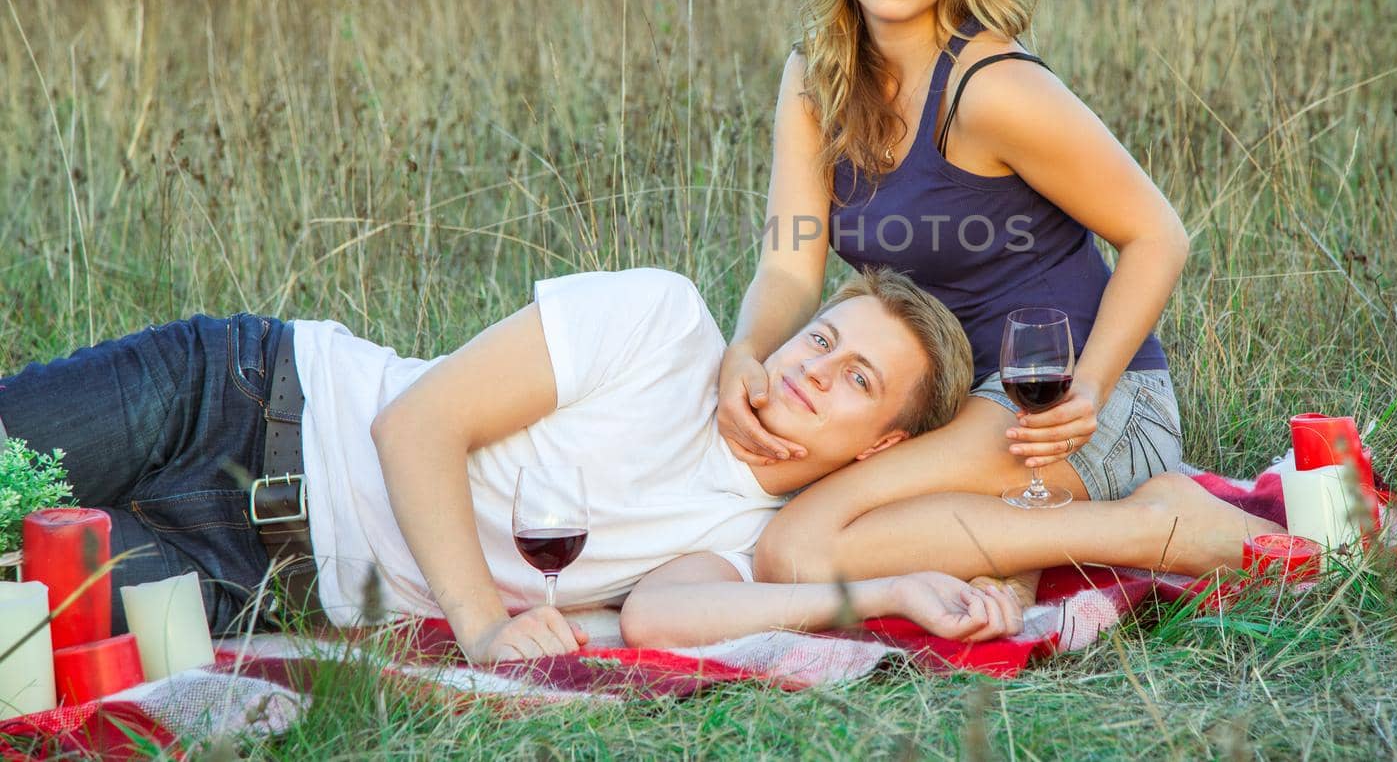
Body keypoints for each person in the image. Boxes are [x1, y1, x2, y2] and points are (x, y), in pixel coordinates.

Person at [715, 0, 1268, 591]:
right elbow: (791, 265)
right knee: (789, 509)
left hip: (1067, 407)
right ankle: (1019, 551)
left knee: (797, 548)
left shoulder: (990, 88)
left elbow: (1157, 233)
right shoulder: (815, 79)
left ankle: (1168, 528)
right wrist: (744, 350)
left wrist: (1091, 388)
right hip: (942, 407)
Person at [1, 266, 1032, 662]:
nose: (816, 372)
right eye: (822, 340)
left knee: (14, 628)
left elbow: (662, 620)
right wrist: (484, 623)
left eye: (859, 380)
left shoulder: (746, 539)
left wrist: (890, 585)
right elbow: (417, 423)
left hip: (247, 580)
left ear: (883, 443)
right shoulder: (663, 323)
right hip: (237, 396)